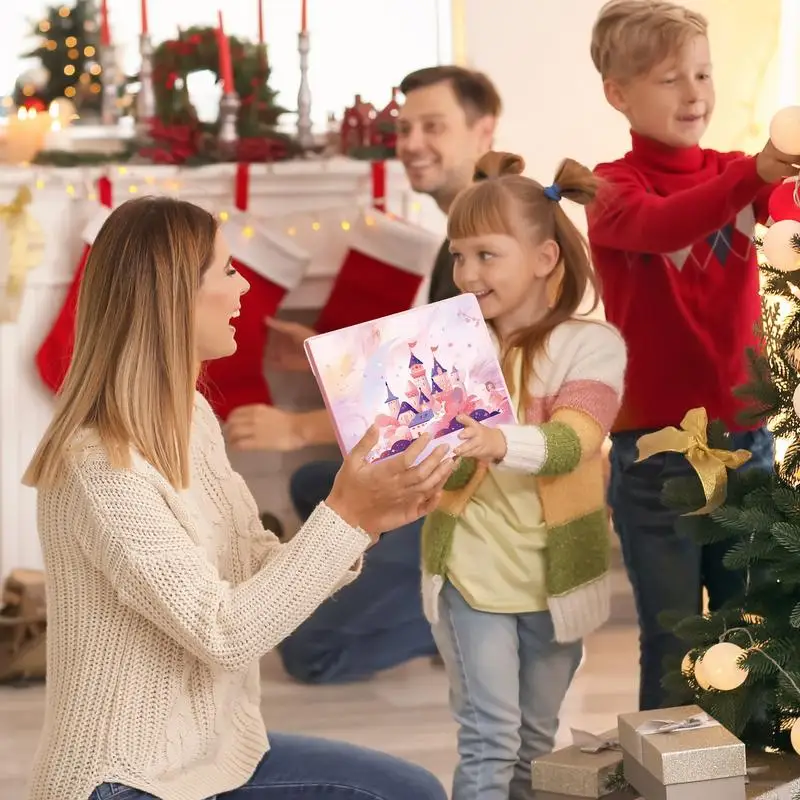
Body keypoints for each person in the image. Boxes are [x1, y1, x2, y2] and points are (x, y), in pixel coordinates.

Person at [21, 196, 455, 800]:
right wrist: (345, 514)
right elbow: (224, 633)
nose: (246, 287)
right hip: (124, 782)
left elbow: (249, 563)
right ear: (172, 298)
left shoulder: (190, 416)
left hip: (215, 754)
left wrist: (367, 521)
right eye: (227, 271)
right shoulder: (100, 468)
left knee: (412, 790)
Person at [225, 65, 503, 685]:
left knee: (309, 654)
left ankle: (474, 609)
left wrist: (297, 426)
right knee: (316, 487)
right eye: (404, 128)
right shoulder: (454, 237)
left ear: (484, 131)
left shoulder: (494, 234)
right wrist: (333, 361)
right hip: (453, 468)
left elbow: (454, 405)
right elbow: (432, 371)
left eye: (434, 126)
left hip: (487, 494)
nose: (411, 143)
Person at [586, 0, 800, 711]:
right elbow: (662, 224)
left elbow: (786, 215)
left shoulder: (743, 173)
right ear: (619, 92)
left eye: (703, 74)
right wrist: (758, 175)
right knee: (677, 642)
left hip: (747, 447)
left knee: (747, 639)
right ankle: (669, 777)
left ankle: (748, 767)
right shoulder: (612, 188)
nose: (695, 93)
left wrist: (776, 174)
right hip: (658, 456)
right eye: (670, 78)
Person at [422, 151, 626, 800]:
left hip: (556, 578)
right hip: (471, 571)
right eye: (458, 256)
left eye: (485, 255)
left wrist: (493, 439)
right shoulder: (452, 344)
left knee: (536, 744)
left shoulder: (592, 346)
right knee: (490, 739)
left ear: (543, 260)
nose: (465, 273)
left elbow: (574, 441)